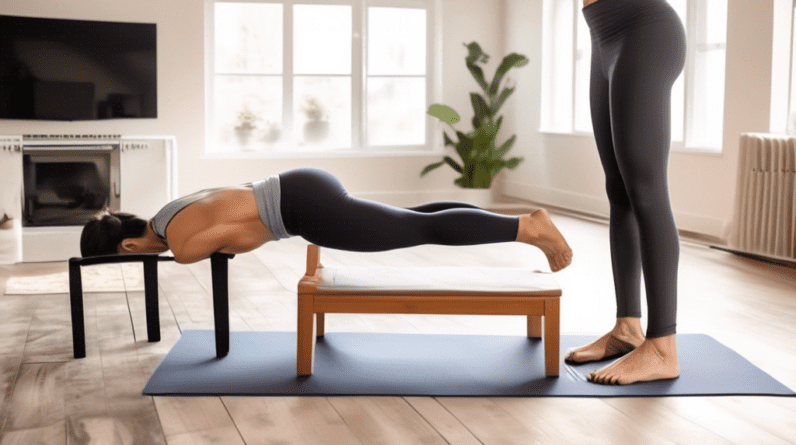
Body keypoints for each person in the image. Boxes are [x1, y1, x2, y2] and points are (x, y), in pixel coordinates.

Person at [81, 168, 572, 273]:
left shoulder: (182, 244)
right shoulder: (171, 208)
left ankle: (529, 228)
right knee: (407, 219)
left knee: (415, 229)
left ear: (127, 247)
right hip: (300, 183)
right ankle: (525, 225)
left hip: (303, 210)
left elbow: (250, 234)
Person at [564, 0, 687, 385]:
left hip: (644, 27)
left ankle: (663, 346)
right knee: (619, 189)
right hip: (602, 34)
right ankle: (627, 328)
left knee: (646, 189)